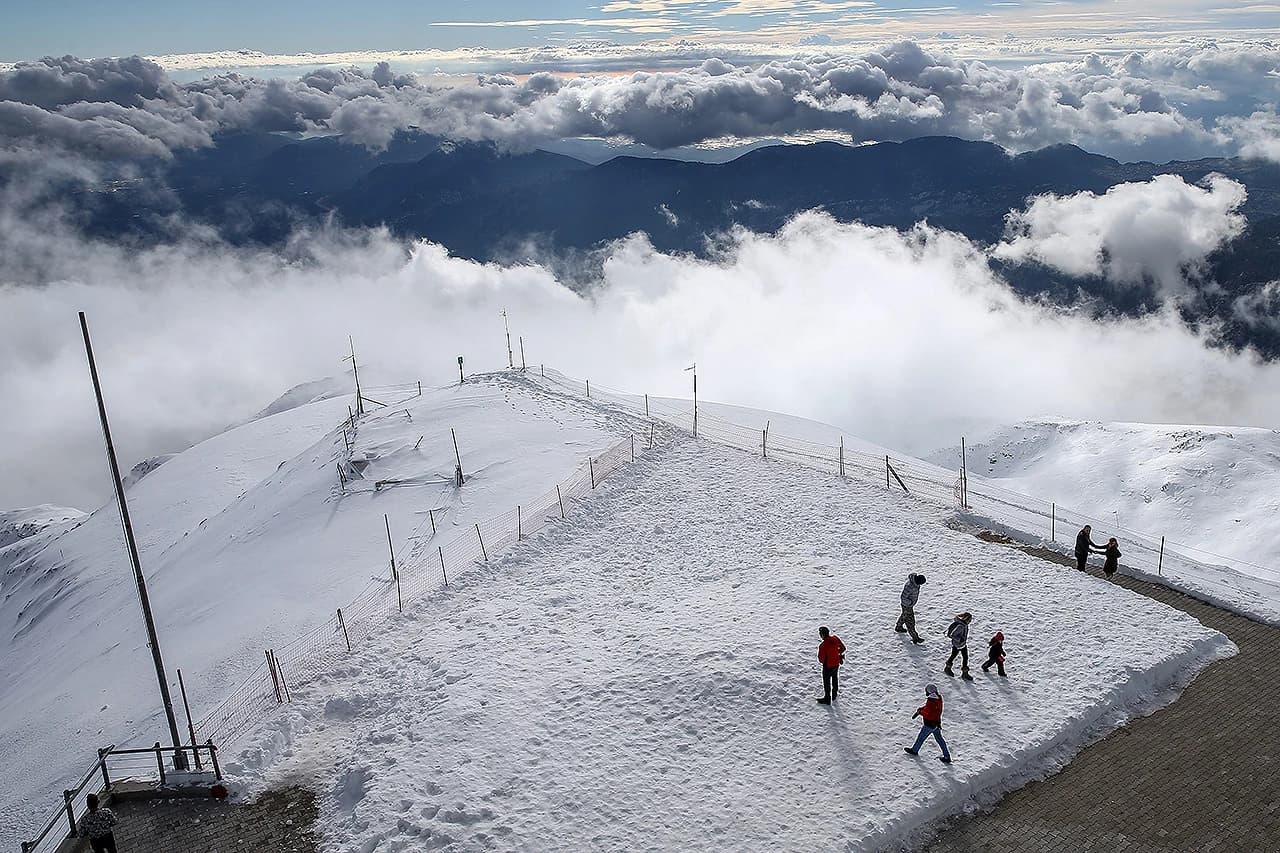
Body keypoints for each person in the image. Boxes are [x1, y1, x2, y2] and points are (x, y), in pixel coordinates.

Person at [904, 683, 951, 763]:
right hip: (936, 723)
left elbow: (929, 715)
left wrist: (920, 712)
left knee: (921, 738)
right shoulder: (939, 698)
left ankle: (914, 750)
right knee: (940, 740)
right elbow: (932, 710)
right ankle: (947, 756)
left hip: (929, 724)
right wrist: (922, 709)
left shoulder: (930, 701)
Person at [816, 625, 846, 705]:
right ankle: (834, 694)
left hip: (827, 666)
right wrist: (837, 654)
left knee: (827, 682)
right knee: (835, 678)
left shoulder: (823, 645)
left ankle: (827, 698)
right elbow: (843, 648)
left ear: (822, 635)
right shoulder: (835, 638)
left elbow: (821, 659)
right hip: (836, 663)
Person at [895, 573, 927, 644]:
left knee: (904, 615)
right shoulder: (910, 586)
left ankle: (898, 627)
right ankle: (915, 638)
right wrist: (909, 603)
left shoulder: (915, 584)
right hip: (907, 606)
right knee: (910, 622)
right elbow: (903, 597)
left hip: (909, 605)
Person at [944, 612, 973, 680]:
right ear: (966, 619)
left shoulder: (965, 624)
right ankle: (948, 668)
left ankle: (964, 673)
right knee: (954, 656)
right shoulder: (960, 626)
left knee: (964, 657)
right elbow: (952, 635)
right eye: (970, 620)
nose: (970, 621)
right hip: (957, 645)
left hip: (962, 644)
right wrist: (960, 639)